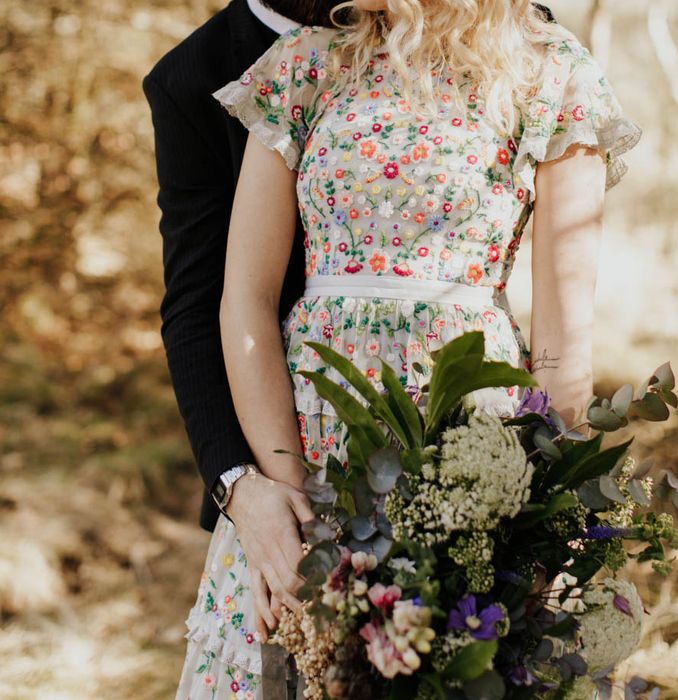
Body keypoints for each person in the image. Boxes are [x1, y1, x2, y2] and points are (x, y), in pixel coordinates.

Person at [156, 0, 641, 697]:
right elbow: (244, 303)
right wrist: (286, 509)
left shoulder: (554, 73)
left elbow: (563, 344)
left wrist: (542, 519)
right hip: (306, 448)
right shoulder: (307, 63)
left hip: (464, 452)